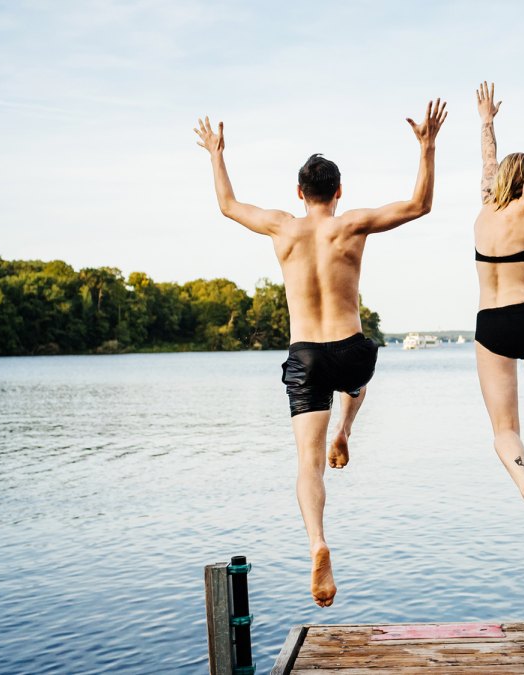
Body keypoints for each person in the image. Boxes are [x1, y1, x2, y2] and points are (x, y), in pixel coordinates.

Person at [193, 99, 448, 606]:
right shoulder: (351, 223)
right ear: (337, 193)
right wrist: (428, 146)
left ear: (299, 193)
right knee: (361, 369)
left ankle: (317, 542)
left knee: (308, 464)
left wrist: (216, 154)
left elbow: (227, 205)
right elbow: (419, 205)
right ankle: (346, 427)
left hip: (304, 353)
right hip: (349, 349)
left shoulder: (281, 226)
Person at [472, 30, 524, 532]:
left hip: (489, 327)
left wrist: (486, 122)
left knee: (504, 430)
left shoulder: (485, 211)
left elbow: (489, 161)